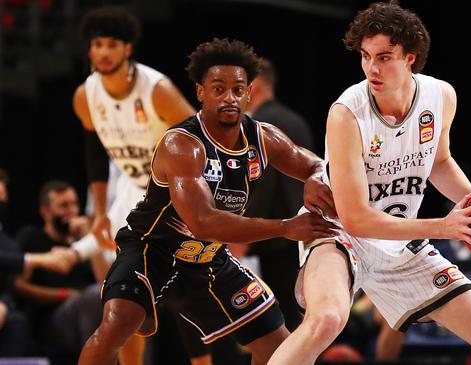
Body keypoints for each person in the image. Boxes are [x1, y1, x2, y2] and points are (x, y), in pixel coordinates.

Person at [268, 2, 471, 365]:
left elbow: (439, 162)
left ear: (410, 57)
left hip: (397, 239)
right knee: (326, 320)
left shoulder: (441, 97)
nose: (372, 67)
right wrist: (445, 227)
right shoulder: (346, 113)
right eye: (366, 56)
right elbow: (355, 219)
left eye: (385, 57)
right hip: (337, 230)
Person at [77, 37, 337, 365]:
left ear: (249, 92)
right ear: (201, 92)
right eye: (218, 89)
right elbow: (203, 222)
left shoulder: (263, 137)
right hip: (151, 251)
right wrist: (286, 227)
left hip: (207, 259)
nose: (229, 97)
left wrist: (315, 178)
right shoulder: (181, 145)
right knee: (117, 324)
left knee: (281, 349)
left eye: (237, 89)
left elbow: (313, 163)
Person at [70, 6, 200, 364]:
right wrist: (98, 212)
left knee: (192, 300)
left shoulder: (156, 90)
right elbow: (95, 154)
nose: (104, 52)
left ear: (128, 48)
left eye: (112, 44)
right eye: (97, 44)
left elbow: (200, 140)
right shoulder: (86, 96)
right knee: (121, 302)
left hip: (174, 195)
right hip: (130, 195)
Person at [243, 57, 315, 331]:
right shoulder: (296, 120)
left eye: (241, 87)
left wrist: (244, 236)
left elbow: (261, 184)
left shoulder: (259, 125)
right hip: (304, 232)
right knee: (301, 318)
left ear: (256, 86)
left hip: (276, 238)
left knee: (278, 321)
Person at [15, 181, 100, 362]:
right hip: (49, 319)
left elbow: (105, 279)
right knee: (92, 297)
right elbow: (20, 286)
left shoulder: (82, 245)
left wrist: (89, 241)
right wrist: (64, 294)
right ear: (45, 212)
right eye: (64, 206)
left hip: (90, 308)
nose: (72, 211)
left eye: (75, 204)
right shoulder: (31, 237)